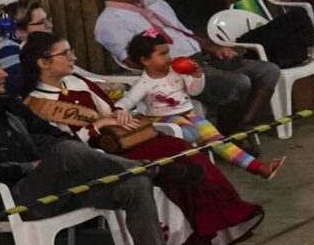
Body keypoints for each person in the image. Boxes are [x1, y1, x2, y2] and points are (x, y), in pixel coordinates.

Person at [6, 34, 200, 245]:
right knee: (67, 150)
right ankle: (154, 169)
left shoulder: (11, 108)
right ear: (43, 62)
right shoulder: (33, 102)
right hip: (18, 196)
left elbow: (53, 137)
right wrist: (31, 166)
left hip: (60, 182)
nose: (4, 74)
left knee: (135, 184)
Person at [94, 0, 280, 131]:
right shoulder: (109, 21)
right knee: (239, 83)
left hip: (204, 58)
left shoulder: (157, 4)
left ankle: (244, 126)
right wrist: (174, 69)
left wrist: (214, 48)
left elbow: (185, 34)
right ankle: (231, 133)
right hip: (176, 71)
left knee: (268, 70)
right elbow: (132, 61)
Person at [116, 31, 282, 181]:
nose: (169, 57)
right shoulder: (145, 83)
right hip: (163, 119)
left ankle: (259, 168)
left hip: (188, 115)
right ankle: (195, 166)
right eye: (162, 54)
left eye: (168, 52)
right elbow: (129, 99)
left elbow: (194, 91)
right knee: (191, 133)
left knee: (220, 142)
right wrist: (119, 109)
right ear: (145, 60)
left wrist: (197, 77)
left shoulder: (176, 72)